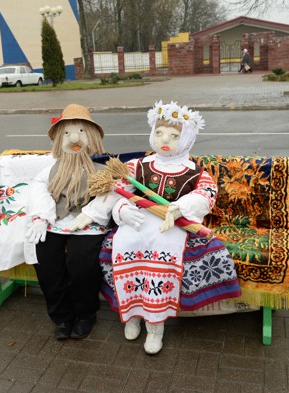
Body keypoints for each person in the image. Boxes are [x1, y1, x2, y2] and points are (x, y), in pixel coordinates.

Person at [101, 101, 241, 355]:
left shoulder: (194, 172)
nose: (165, 140)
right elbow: (116, 189)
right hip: (138, 221)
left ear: (186, 139)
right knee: (124, 245)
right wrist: (120, 209)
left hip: (172, 225)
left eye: (174, 136)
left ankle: (156, 325)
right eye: (159, 132)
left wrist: (180, 206)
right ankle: (131, 314)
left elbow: (206, 195)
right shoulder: (137, 166)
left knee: (163, 256)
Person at [26, 104, 117, 341]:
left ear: (92, 136)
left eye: (81, 132)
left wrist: (91, 213)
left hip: (87, 223)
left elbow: (111, 192)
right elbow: (38, 191)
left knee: (82, 263)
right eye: (67, 133)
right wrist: (41, 216)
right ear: (59, 138)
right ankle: (62, 316)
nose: (75, 138)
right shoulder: (49, 171)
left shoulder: (100, 170)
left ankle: (86, 314)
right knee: (44, 256)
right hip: (56, 220)